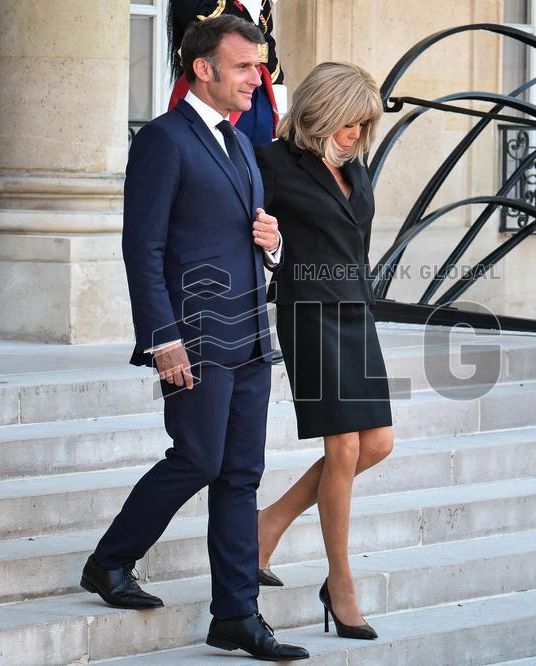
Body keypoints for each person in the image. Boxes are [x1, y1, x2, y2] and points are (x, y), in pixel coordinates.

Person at [79, 15, 308, 662]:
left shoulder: (240, 144)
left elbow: (249, 234)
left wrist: (275, 245)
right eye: (242, 66)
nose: (255, 78)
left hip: (250, 334)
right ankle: (111, 559)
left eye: (257, 66)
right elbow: (142, 248)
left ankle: (236, 616)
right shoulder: (163, 140)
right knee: (199, 459)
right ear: (202, 68)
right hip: (195, 335)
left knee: (240, 473)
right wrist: (162, 338)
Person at [254, 62, 394, 640]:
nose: (357, 136)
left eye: (363, 126)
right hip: (308, 310)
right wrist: (277, 251)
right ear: (318, 114)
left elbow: (353, 241)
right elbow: (258, 237)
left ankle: (266, 524)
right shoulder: (268, 163)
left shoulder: (354, 169)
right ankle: (340, 584)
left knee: (377, 444)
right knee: (343, 449)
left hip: (356, 311)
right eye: (348, 124)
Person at [169, 0, 286, 145]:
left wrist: (275, 84)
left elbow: (265, 36)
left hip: (257, 94)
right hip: (217, 81)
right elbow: (204, 19)